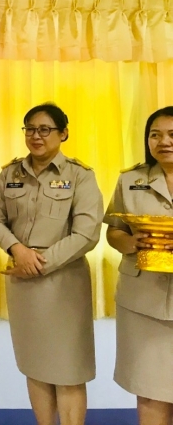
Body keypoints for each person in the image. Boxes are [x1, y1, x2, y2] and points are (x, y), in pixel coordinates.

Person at [0, 103, 104, 425]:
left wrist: (37, 263)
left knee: (68, 368)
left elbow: (87, 234)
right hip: (22, 282)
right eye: (30, 129)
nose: (36, 136)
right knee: (35, 364)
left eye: (44, 130)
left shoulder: (80, 176)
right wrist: (17, 250)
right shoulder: (9, 174)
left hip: (64, 283)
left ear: (63, 134)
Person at [106, 106, 173, 425]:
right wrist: (130, 243)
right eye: (155, 135)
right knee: (150, 390)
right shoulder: (130, 179)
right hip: (143, 301)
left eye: (172, 134)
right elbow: (114, 230)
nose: (164, 141)